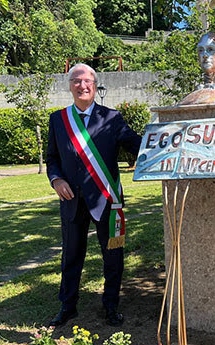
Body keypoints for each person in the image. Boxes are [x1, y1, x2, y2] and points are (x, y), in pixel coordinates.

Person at [46, 63, 142, 327]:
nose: (82, 85)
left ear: (95, 84)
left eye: (87, 80)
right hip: (71, 201)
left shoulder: (112, 118)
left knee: (113, 255)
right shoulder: (58, 119)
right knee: (71, 255)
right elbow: (52, 158)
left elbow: (137, 145)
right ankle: (68, 306)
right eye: (76, 81)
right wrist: (56, 180)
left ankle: (111, 305)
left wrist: (163, 143)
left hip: (106, 199)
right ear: (70, 86)